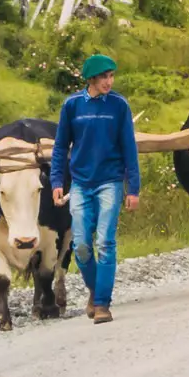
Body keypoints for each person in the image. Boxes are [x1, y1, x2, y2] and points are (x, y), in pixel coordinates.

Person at [50, 53, 141, 324]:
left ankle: (102, 303)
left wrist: (133, 188)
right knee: (80, 246)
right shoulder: (72, 106)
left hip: (110, 182)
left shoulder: (119, 106)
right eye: (103, 77)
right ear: (91, 79)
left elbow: (129, 148)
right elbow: (59, 147)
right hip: (80, 183)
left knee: (105, 241)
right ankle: (94, 289)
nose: (108, 82)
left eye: (111, 76)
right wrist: (57, 181)